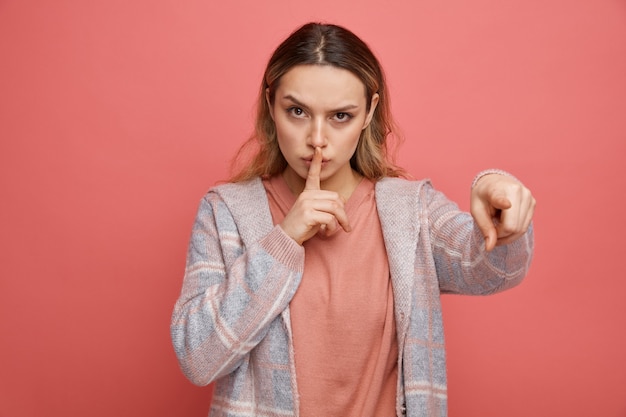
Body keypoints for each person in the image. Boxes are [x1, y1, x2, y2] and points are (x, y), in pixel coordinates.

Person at [170, 22, 535, 417]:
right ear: (270, 104)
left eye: (341, 116)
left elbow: (492, 269)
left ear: (369, 113)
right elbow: (197, 355)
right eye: (297, 111)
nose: (317, 138)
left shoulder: (411, 211)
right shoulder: (226, 210)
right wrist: (286, 238)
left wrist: (500, 200)